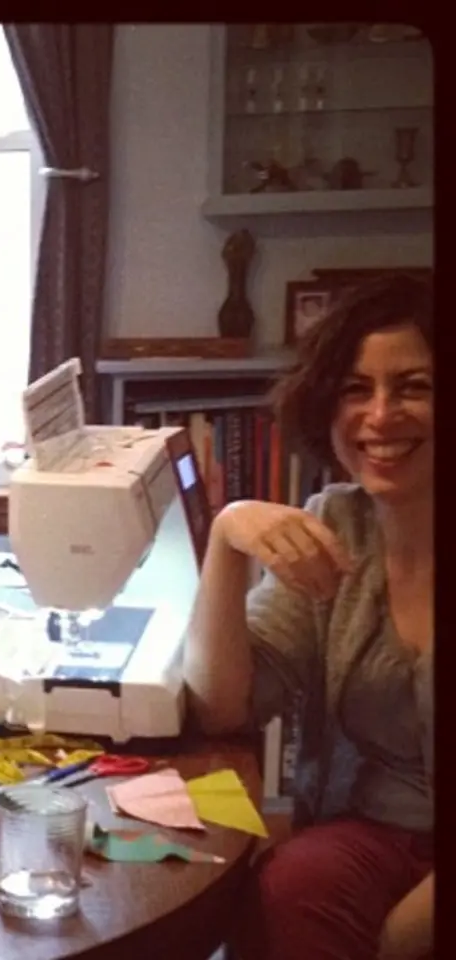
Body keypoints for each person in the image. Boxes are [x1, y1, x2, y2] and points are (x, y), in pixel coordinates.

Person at [182, 273, 433, 960]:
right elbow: (222, 706)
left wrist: (402, 935)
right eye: (357, 389)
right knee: (284, 887)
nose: (380, 416)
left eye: (414, 387)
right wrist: (229, 540)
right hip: (376, 833)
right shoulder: (338, 525)